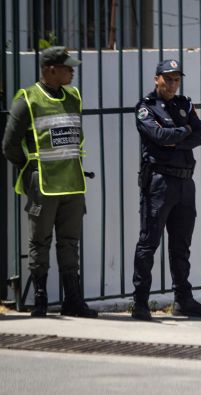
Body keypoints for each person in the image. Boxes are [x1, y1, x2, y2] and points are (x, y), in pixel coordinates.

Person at [1, 46, 97, 318]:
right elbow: (9, 145)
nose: (72, 70)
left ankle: (73, 301)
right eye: (67, 67)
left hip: (73, 184)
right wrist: (29, 167)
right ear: (50, 70)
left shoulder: (73, 96)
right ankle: (40, 300)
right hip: (43, 185)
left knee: (70, 243)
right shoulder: (28, 100)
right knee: (39, 242)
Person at [131, 59, 201, 321]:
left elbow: (200, 136)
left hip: (185, 184)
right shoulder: (146, 107)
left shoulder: (184, 104)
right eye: (168, 79)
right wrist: (183, 132)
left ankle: (183, 300)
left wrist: (176, 136)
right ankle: (140, 302)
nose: (172, 84)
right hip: (158, 183)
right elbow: (158, 136)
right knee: (148, 243)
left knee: (181, 246)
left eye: (176, 79)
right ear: (157, 79)